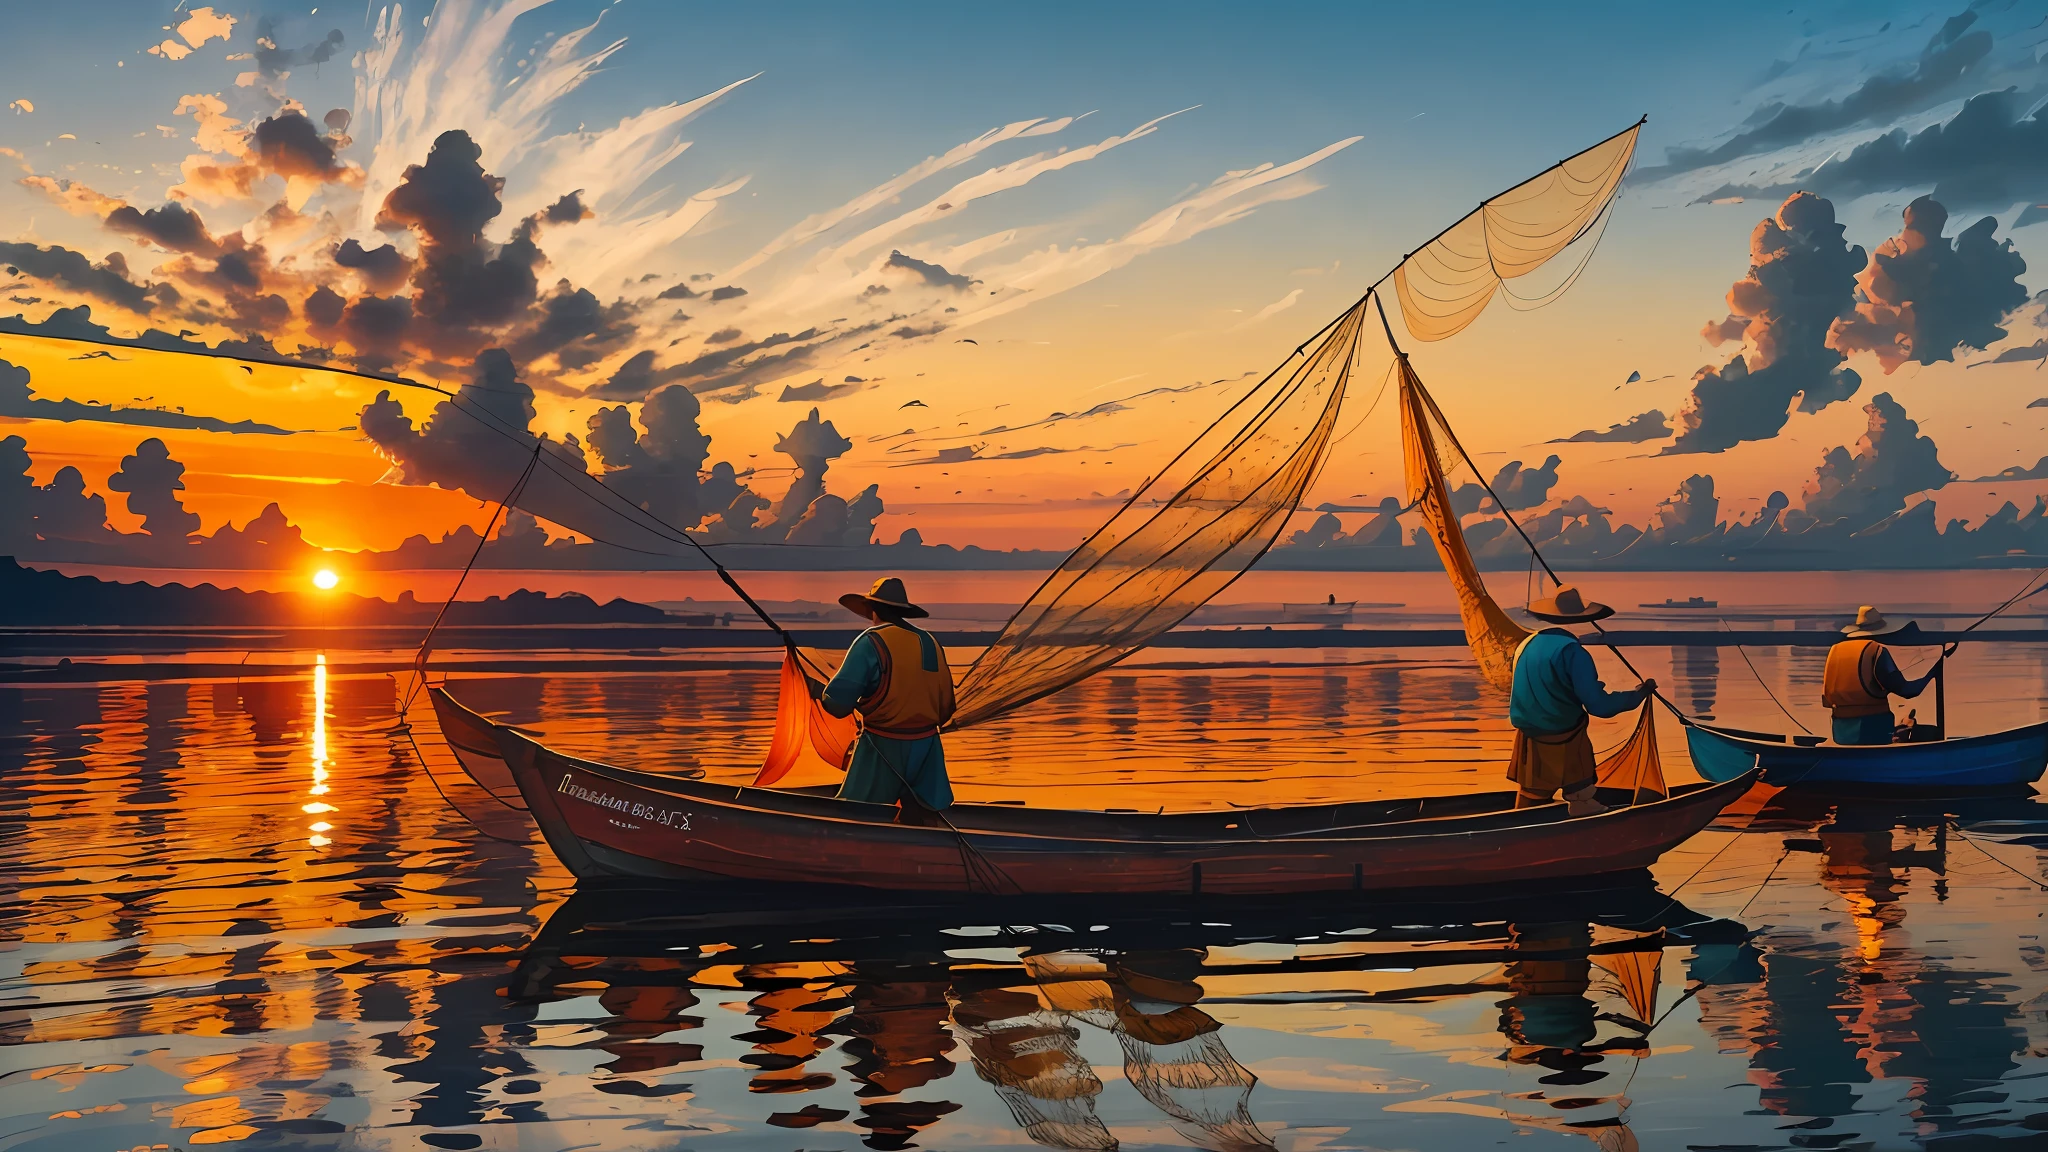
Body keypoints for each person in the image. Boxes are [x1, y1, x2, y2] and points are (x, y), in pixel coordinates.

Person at [1509, 585, 1656, 816]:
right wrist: (1636, 696)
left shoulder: (1525, 646)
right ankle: (1582, 805)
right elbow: (1598, 705)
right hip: (1564, 736)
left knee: (1529, 801)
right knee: (1581, 795)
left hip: (1529, 737)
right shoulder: (1572, 652)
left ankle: (1519, 828)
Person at [821, 577, 957, 822]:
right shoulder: (930, 642)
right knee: (924, 817)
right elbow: (947, 707)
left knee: (857, 818)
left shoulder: (869, 641)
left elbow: (837, 705)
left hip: (882, 748)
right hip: (927, 749)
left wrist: (818, 691)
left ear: (873, 610)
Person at [1822, 606, 1936, 745]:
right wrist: (1932, 673)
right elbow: (1908, 691)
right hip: (1872, 731)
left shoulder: (1835, 650)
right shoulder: (1876, 650)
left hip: (1841, 732)